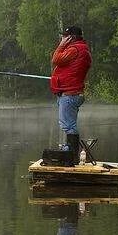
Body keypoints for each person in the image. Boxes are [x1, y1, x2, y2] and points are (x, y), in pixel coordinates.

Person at [50, 26, 92, 165]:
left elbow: (56, 59)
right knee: (68, 124)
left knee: (68, 126)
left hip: (70, 94)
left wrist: (61, 46)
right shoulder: (81, 49)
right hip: (72, 93)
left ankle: (72, 156)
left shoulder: (75, 49)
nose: (62, 39)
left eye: (64, 37)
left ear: (71, 38)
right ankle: (71, 153)